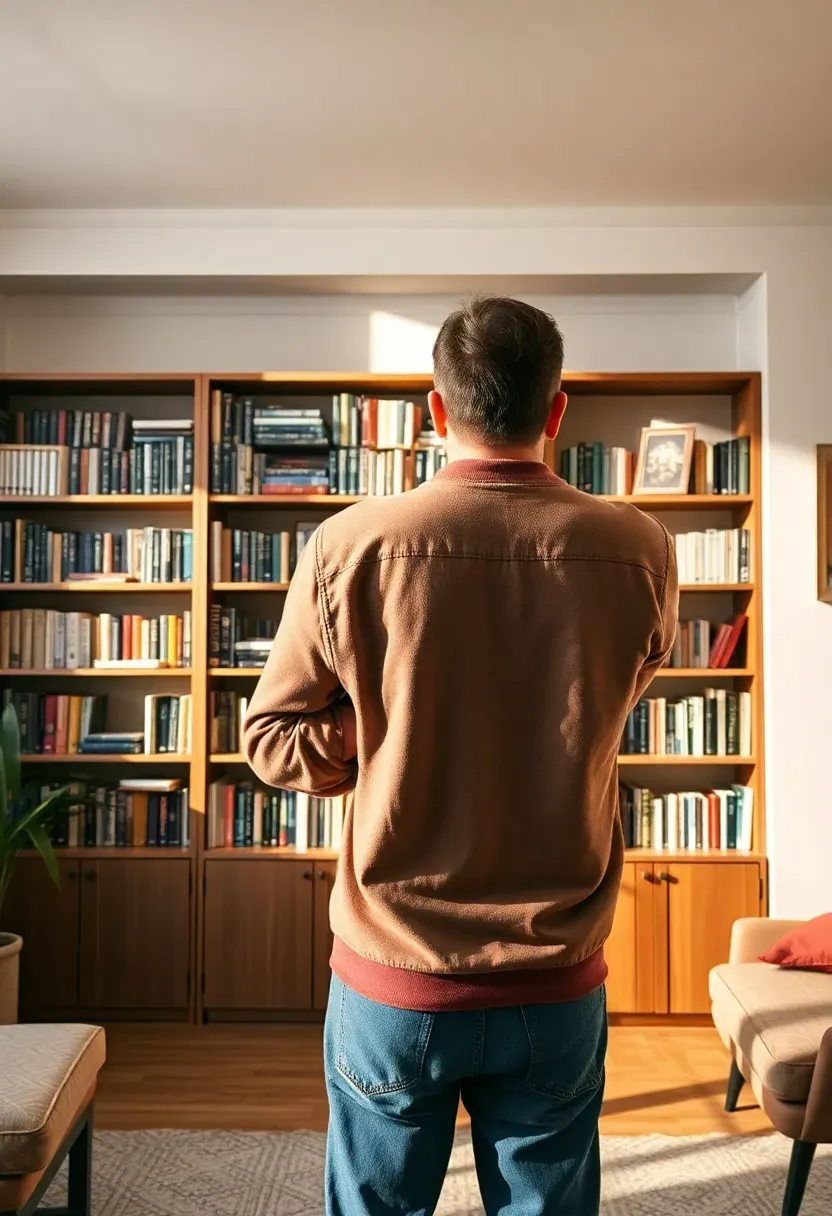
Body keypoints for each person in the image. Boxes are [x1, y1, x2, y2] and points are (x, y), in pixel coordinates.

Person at [243, 296, 679, 1216]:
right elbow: (612, 700)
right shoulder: (639, 549)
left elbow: (272, 743)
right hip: (555, 977)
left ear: (435, 411)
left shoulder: (350, 545)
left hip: (394, 979)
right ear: (557, 409)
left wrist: (383, 719)